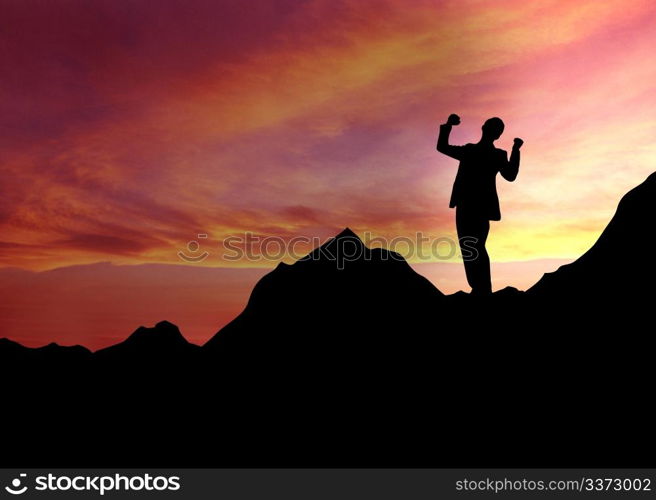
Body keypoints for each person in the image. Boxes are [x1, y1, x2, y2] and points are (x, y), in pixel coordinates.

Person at [437, 113, 523, 295]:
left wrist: (515, 150)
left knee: (473, 246)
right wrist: (516, 149)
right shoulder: (474, 151)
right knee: (471, 247)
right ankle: (480, 287)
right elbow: (442, 147)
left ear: (485, 129)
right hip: (468, 205)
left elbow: (510, 175)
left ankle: (482, 288)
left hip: (476, 207)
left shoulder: (492, 154)